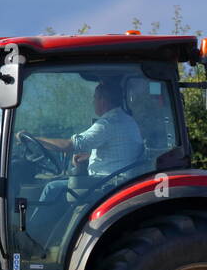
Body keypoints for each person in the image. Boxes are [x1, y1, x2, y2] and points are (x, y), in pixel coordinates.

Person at [30, 76, 143, 205]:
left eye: (94, 98)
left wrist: (36, 139)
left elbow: (70, 145)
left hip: (106, 183)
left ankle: (37, 225)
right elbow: (120, 151)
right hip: (119, 179)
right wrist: (90, 156)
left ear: (103, 100)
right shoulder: (128, 121)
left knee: (52, 187)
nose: (93, 102)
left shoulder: (107, 123)